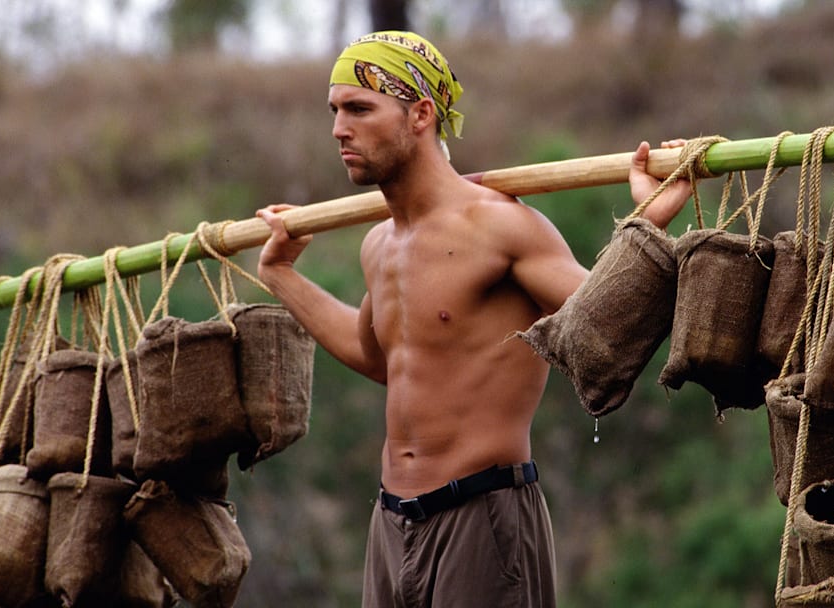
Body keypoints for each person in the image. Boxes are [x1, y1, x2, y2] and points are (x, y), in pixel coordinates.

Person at [255, 30, 693, 608]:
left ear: (420, 114)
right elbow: (379, 359)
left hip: (482, 517)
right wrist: (281, 274)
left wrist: (650, 216)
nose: (339, 128)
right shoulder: (380, 244)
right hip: (389, 523)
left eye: (360, 109)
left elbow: (606, 323)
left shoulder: (502, 228)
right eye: (335, 111)